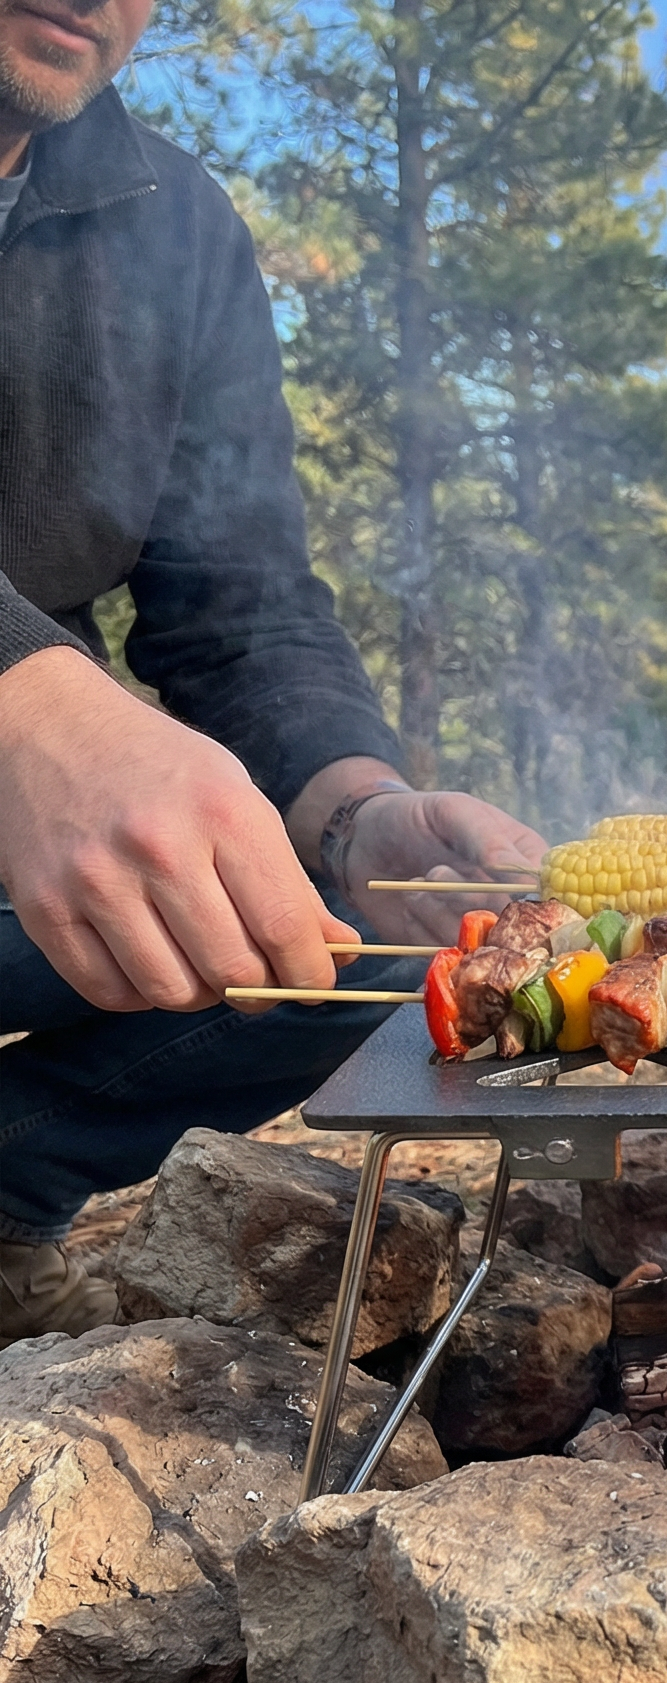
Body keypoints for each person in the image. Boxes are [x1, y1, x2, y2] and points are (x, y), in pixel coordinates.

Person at [0, 0, 545, 1337]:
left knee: (355, 953)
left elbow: (239, 607)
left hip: (34, 855)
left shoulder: (172, 228)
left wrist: (363, 813)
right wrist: (27, 702)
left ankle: (6, 1196)